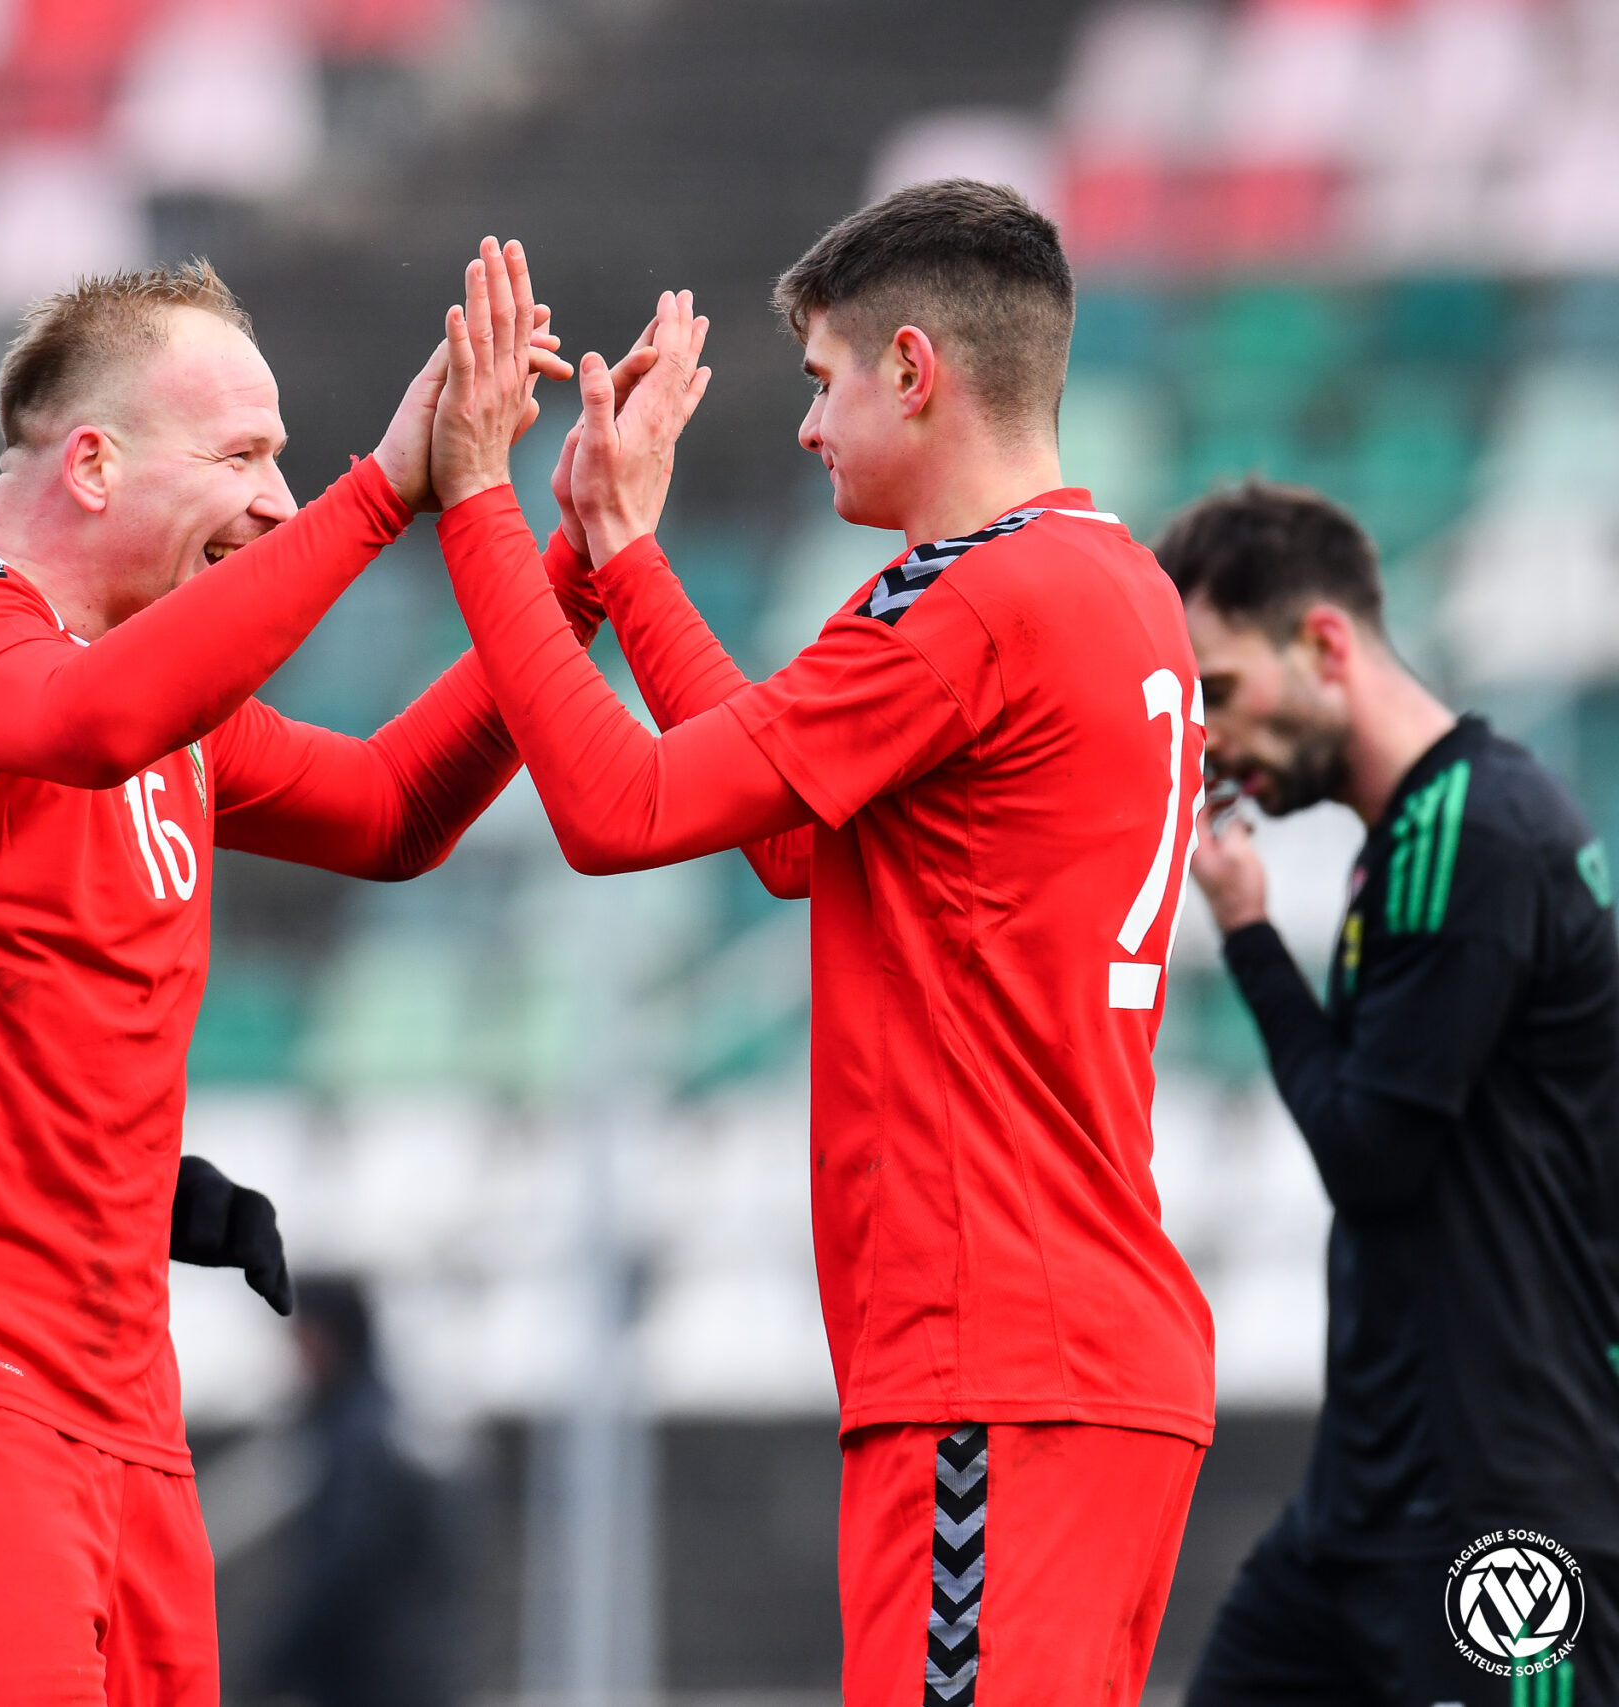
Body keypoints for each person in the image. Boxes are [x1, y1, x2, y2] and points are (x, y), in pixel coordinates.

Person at [0, 258, 586, 1707]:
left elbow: (395, 809)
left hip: (122, 1402)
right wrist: (380, 493)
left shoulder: (161, 702)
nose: (277, 499)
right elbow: (88, 724)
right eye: (244, 457)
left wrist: (577, 566)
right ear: (92, 464)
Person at [425, 187, 1215, 1705]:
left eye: (821, 378)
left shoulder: (971, 602)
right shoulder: (1108, 583)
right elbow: (798, 844)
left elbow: (615, 807)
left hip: (996, 1351)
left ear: (912, 370)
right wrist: (624, 553)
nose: (805, 428)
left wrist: (478, 504)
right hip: (1080, 1347)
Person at [1161, 482, 1619, 1707]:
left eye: (1218, 691)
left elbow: (1369, 1155)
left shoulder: (1470, 834)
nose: (1208, 743)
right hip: (1370, 1503)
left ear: (1323, 644)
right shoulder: (1425, 832)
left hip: (1502, 1513)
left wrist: (1250, 937)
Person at [250, 1278, 464, 1707]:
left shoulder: (357, 1440)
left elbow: (344, 1571)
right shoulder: (381, 1425)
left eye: (302, 1339)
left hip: (371, 1679)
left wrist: (271, 1665)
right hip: (398, 1676)